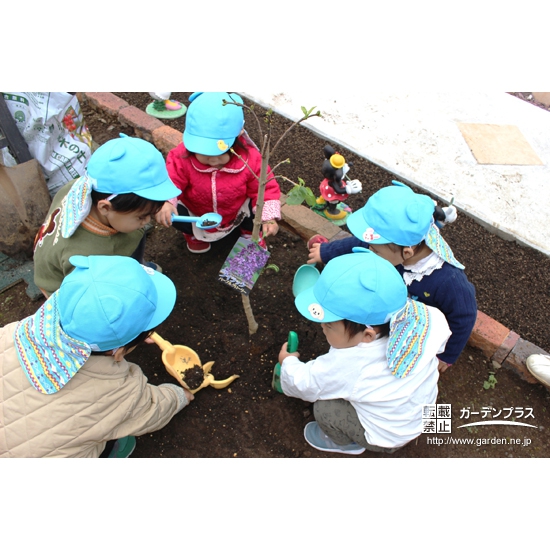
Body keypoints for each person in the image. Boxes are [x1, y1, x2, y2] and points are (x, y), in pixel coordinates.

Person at [0, 255, 193, 458]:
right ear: (118, 352)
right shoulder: (120, 392)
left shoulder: (12, 332)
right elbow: (153, 408)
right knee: (108, 428)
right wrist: (180, 396)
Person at [278, 250, 451, 455]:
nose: (321, 327)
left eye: (329, 325)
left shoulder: (351, 364)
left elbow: (305, 384)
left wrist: (288, 363)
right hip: (416, 412)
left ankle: (349, 442)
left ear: (367, 336)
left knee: (324, 410)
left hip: (386, 435)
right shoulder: (420, 319)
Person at [307, 181, 477, 371]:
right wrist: (327, 252)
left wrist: (445, 356)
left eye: (375, 250)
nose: (368, 249)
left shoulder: (449, 282)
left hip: (415, 328)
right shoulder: (391, 245)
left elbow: (464, 317)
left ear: (407, 254)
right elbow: (361, 243)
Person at [33, 134, 180, 297]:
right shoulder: (86, 258)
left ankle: (137, 265)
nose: (147, 221)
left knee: (134, 232)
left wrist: (155, 205)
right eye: (142, 216)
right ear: (105, 207)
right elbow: (89, 297)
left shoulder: (83, 188)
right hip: (70, 289)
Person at [156, 92, 281, 253]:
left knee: (254, 210)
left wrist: (268, 217)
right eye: (205, 155)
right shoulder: (182, 157)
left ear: (237, 139)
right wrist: (167, 202)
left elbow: (265, 187)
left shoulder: (250, 159)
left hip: (235, 210)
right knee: (175, 215)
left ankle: (250, 234)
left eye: (220, 154)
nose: (213, 161)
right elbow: (172, 179)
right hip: (197, 212)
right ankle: (193, 234)